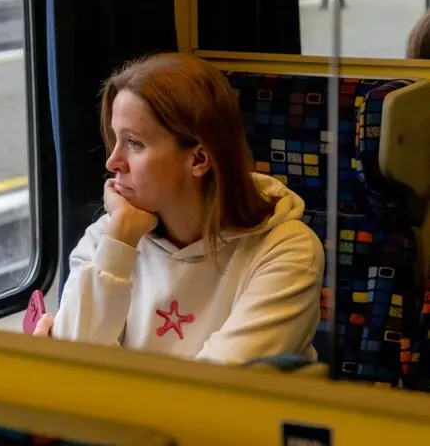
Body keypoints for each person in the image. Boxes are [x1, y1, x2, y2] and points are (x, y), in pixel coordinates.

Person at [33, 53, 324, 366]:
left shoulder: (287, 252)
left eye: (134, 143)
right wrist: (118, 244)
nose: (112, 162)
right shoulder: (110, 236)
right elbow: (70, 372)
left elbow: (211, 390)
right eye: (115, 140)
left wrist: (93, 372)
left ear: (198, 159)